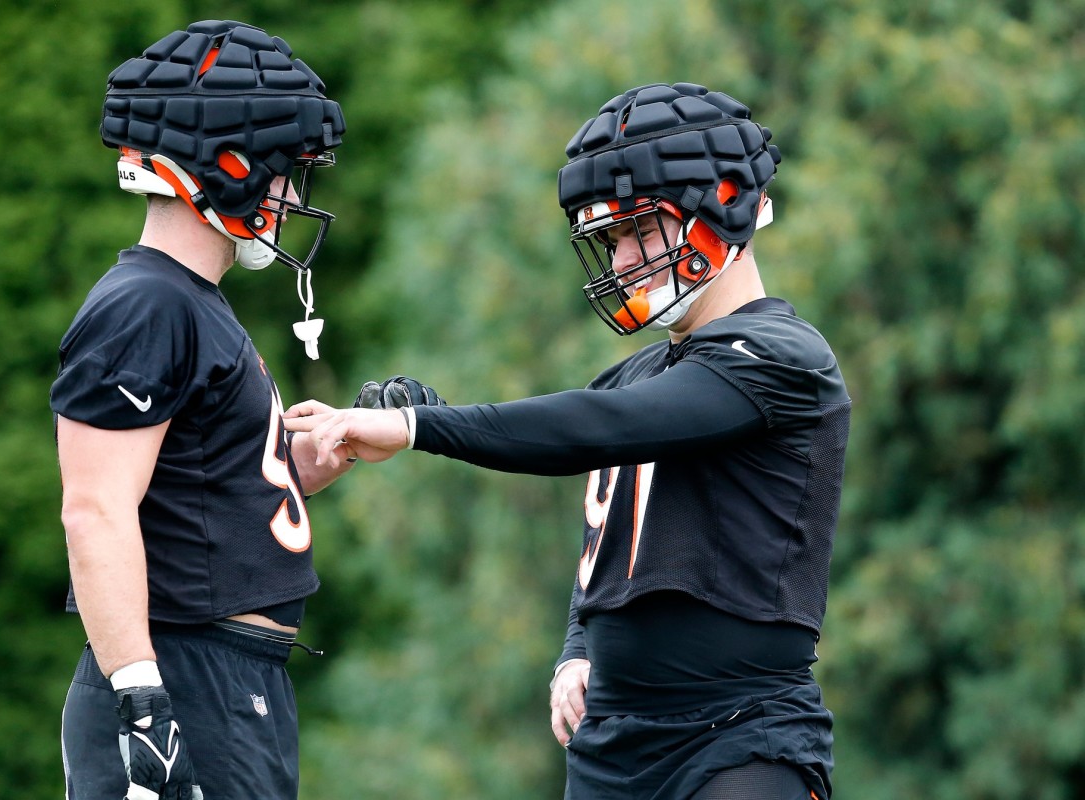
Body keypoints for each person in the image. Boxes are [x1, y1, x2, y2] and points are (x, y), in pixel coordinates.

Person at [284, 83, 849, 799]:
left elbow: (596, 428)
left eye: (642, 230)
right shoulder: (631, 376)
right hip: (612, 747)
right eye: (612, 241)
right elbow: (604, 556)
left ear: (727, 200)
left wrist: (420, 426)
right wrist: (576, 652)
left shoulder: (784, 356)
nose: (621, 263)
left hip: (741, 740)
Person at [52, 19, 357, 800]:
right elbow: (93, 508)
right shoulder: (149, 302)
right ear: (229, 164)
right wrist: (143, 701)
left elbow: (198, 496)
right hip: (183, 680)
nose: (291, 194)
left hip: (231, 682)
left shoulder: (191, 302)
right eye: (284, 170)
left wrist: (311, 465)